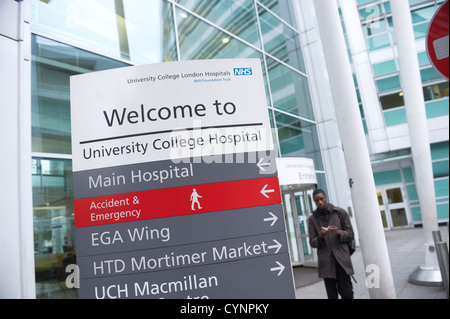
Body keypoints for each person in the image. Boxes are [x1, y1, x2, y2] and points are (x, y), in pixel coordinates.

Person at [308, 189, 355, 299]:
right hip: (326, 263)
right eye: (316, 201)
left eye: (321, 199)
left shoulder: (340, 213)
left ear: (326, 198)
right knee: (332, 296)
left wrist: (338, 232)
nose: (320, 202)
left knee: (347, 293)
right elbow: (312, 242)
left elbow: (350, 234)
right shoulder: (312, 219)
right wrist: (321, 237)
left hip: (342, 260)